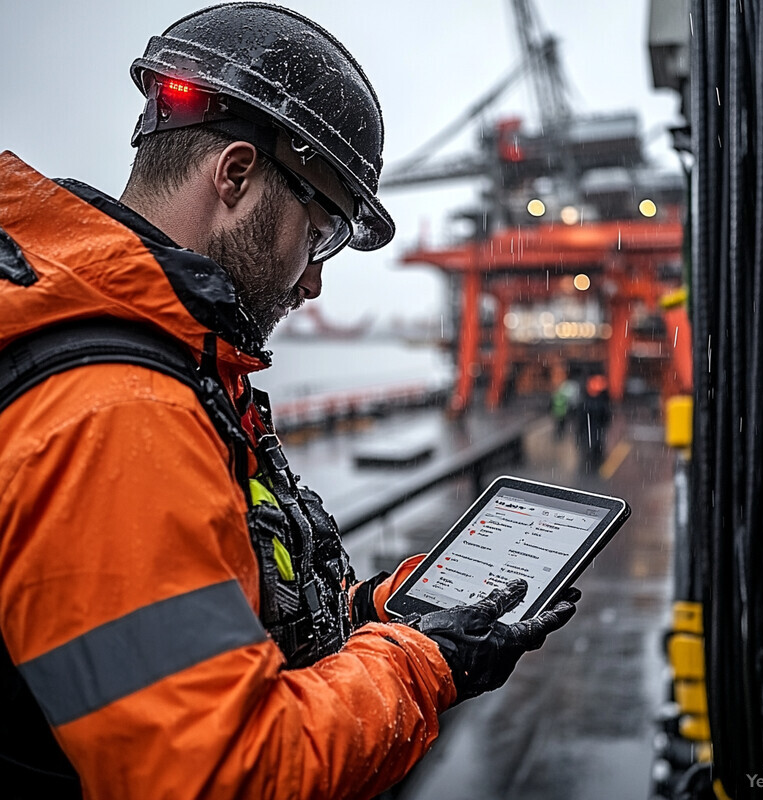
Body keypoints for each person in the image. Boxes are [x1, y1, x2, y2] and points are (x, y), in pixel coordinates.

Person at [0, 5, 580, 799]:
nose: (313, 282)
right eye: (324, 231)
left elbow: (225, 615)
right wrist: (423, 663)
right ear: (235, 175)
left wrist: (388, 610)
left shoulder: (167, 368)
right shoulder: (118, 413)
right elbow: (218, 776)